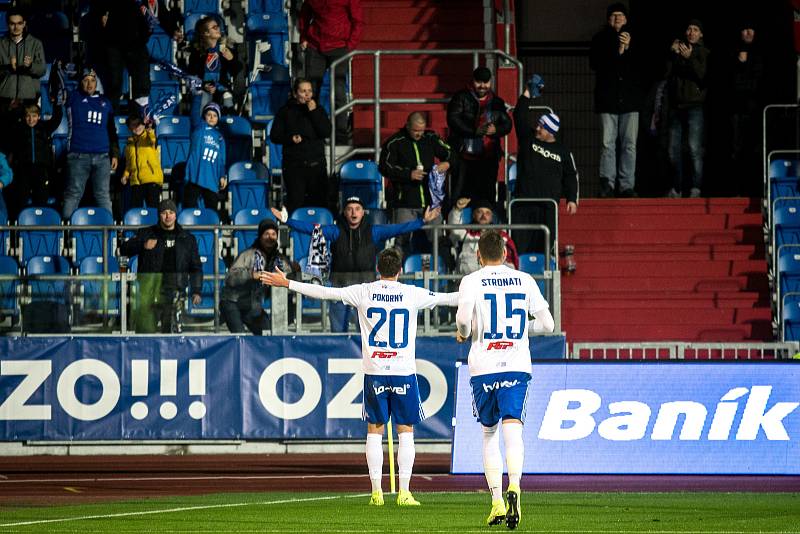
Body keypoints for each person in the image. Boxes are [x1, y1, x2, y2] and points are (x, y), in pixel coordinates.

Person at [261, 247, 458, 506]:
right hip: (403, 372)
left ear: (378, 269)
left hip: (375, 372)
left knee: (374, 431)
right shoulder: (412, 293)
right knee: (406, 431)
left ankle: (376, 492)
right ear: (400, 271)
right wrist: (479, 293)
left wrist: (287, 283)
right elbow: (448, 298)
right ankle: (405, 492)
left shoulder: (363, 291)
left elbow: (325, 293)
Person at [455, 230, 555, 529]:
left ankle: (497, 500)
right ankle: (515, 486)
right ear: (506, 253)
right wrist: (523, 330)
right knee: (514, 431)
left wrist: (465, 331)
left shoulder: (471, 280)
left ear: (478, 255)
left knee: (489, 434)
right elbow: (548, 325)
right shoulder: (525, 279)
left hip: (483, 366)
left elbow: (462, 320)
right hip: (515, 364)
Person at [270, 197, 441, 332]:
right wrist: (287, 221)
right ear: (344, 212)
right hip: (339, 285)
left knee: (365, 329)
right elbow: (311, 229)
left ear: (363, 212)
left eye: (357, 209)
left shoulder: (374, 231)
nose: (353, 213)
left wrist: (422, 222)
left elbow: (398, 229)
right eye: (350, 209)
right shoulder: (335, 231)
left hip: (366, 286)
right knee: (338, 330)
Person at [119, 198, 202, 333]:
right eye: (164, 212)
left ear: (176, 215)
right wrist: (143, 245)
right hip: (150, 289)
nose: (168, 216)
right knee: (145, 331)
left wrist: (197, 290)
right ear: (159, 215)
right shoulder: (146, 233)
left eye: (171, 212)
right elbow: (124, 249)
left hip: (174, 289)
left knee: (169, 330)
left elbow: (196, 267)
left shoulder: (187, 238)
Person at [85, 0, 182, 115]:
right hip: (113, 43)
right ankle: (110, 120)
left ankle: (140, 119)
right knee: (114, 84)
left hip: (137, 44)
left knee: (142, 84)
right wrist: (102, 15)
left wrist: (173, 30)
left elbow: (160, 11)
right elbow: (98, 7)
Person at [589, 3, 644, 198]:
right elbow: (595, 64)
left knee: (629, 145)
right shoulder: (600, 39)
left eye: (621, 15)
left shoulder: (636, 39)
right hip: (608, 100)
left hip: (630, 100)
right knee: (607, 143)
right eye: (613, 15)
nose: (617, 18)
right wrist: (618, 50)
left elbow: (642, 67)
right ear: (608, 19)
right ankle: (607, 184)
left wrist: (628, 48)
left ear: (627, 19)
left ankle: (627, 185)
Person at [512, 95, 578, 255]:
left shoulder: (563, 151)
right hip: (523, 205)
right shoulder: (528, 139)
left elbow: (571, 175)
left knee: (545, 250)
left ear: (550, 131)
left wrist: (572, 199)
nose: (537, 128)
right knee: (519, 248)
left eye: (542, 127)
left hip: (548, 207)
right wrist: (526, 95)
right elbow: (519, 115)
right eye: (538, 125)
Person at [379, 111, 451, 254]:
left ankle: (443, 273)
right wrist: (408, 174)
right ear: (407, 126)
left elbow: (450, 153)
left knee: (439, 241)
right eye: (415, 130)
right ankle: (396, 273)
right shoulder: (394, 142)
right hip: (405, 203)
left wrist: (447, 163)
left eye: (421, 130)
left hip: (431, 203)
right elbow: (384, 167)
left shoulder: (430, 138)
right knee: (401, 241)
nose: (419, 134)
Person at [297, 0, 364, 141]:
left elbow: (358, 20)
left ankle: (340, 134)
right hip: (315, 46)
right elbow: (305, 14)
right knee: (310, 91)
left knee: (338, 90)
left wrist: (350, 45)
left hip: (340, 46)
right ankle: (312, 131)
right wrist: (303, 37)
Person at [447, 67, 512, 208]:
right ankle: (456, 229)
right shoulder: (461, 97)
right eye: (478, 82)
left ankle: (485, 230)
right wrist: (474, 131)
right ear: (473, 81)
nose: (482, 86)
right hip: (463, 156)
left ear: (490, 82)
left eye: (486, 82)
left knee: (486, 197)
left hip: (487, 158)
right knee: (459, 197)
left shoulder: (497, 101)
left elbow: (507, 124)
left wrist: (497, 130)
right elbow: (453, 120)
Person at [221, 218, 296, 335]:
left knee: (268, 332)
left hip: (253, 307)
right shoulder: (248, 255)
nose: (270, 238)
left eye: (273, 234)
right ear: (260, 236)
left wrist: (294, 273)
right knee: (239, 337)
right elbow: (230, 278)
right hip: (233, 302)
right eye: (266, 234)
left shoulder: (280, 260)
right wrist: (251, 274)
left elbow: (289, 280)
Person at [61, 68, 119, 220]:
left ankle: (110, 234)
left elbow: (111, 131)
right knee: (73, 194)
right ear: (80, 83)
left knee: (103, 195)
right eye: (85, 80)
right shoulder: (72, 98)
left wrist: (115, 154)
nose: (89, 84)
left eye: (92, 80)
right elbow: (57, 88)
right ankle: (66, 235)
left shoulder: (106, 102)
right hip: (78, 155)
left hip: (102, 157)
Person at [270, 78, 331, 215]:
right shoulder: (285, 111)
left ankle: (317, 235)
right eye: (303, 91)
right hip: (294, 166)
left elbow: (326, 132)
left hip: (316, 166)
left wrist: (313, 112)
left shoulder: (318, 110)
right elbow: (275, 135)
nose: (307, 95)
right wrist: (290, 139)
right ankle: (295, 235)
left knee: (319, 204)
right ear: (295, 93)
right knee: (295, 203)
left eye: (309, 91)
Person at [665, 19, 710, 199]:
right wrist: (671, 54)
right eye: (689, 28)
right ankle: (676, 188)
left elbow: (702, 76)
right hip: (676, 106)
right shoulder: (678, 50)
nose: (691, 32)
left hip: (695, 107)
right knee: (672, 149)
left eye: (695, 29)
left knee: (694, 149)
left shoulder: (704, 52)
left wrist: (689, 58)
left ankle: (696, 188)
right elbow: (666, 74)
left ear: (701, 34)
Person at [4, 102, 62, 221]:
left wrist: (57, 103)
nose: (31, 119)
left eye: (34, 116)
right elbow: (7, 122)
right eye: (28, 116)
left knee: (41, 200)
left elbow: (57, 118)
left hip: (41, 170)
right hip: (23, 170)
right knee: (20, 201)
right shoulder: (18, 130)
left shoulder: (45, 128)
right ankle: (18, 230)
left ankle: (40, 227)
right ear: (24, 117)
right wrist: (13, 108)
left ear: (39, 116)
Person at [728, 20, 763, 197]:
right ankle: (738, 190)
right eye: (745, 29)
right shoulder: (733, 53)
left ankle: (755, 190)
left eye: (751, 29)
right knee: (737, 150)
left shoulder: (760, 54)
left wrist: (744, 65)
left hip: (755, 111)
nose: (748, 33)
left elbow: (758, 84)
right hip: (737, 111)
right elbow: (732, 84)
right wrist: (740, 64)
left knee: (755, 150)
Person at [185, 15, 242, 120]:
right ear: (206, 33)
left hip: (221, 87)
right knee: (203, 98)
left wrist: (231, 59)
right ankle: (202, 129)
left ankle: (229, 128)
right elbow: (192, 75)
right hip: (204, 88)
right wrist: (203, 86)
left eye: (218, 27)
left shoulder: (227, 49)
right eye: (214, 27)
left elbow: (237, 71)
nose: (218, 29)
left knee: (227, 97)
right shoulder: (197, 53)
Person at [447, 198, 518, 275]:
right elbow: (454, 229)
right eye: (480, 212)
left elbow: (510, 263)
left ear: (491, 216)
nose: (484, 215)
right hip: (470, 279)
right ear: (474, 215)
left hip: (493, 281)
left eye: (487, 213)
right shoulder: (467, 233)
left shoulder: (501, 235)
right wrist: (457, 210)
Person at [183, 102, 227, 222]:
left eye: (215, 115)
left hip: (211, 179)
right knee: (189, 208)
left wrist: (222, 175)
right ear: (204, 116)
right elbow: (194, 113)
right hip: (195, 177)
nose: (212, 117)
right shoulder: (198, 128)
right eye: (209, 114)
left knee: (212, 212)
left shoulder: (220, 137)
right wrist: (198, 93)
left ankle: (213, 236)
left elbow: (222, 160)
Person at [0, 9, 46, 121]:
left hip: (29, 98)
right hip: (5, 98)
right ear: (7, 24)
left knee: (25, 137)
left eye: (19, 23)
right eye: (12, 24)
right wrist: (8, 68)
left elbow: (42, 70)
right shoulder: (1, 44)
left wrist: (30, 66)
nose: (16, 27)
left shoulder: (36, 43)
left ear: (24, 23)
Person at [121, 115, 164, 210]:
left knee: (153, 209)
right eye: (133, 125)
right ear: (129, 128)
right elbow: (129, 164)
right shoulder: (129, 144)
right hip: (136, 182)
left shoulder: (148, 138)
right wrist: (125, 175)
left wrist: (149, 128)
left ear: (143, 125)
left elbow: (152, 138)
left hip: (151, 180)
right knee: (135, 210)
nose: (137, 128)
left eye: (139, 124)